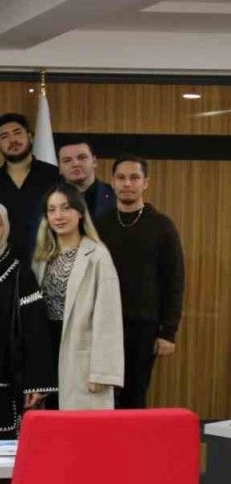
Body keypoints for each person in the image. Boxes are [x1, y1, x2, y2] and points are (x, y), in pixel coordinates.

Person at [94, 156, 185, 409]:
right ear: (112, 182)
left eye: (134, 177)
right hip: (104, 324)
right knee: (103, 394)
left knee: (135, 394)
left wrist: (168, 332)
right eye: (121, 178)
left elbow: (174, 281)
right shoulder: (99, 225)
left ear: (146, 183)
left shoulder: (162, 226)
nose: (127, 183)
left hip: (144, 326)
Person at [0, 201, 55, 438]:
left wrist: (36, 383)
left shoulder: (20, 273)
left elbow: (36, 332)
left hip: (10, 376)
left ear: (6, 228)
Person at [33, 183, 124, 411]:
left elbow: (109, 318)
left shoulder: (97, 255)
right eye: (52, 210)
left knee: (80, 427)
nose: (58, 216)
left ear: (80, 212)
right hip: (48, 352)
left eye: (66, 208)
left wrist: (102, 372)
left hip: (81, 354)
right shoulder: (42, 257)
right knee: (50, 424)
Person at [0, 113, 61, 260]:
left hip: (50, 261)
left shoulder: (55, 177)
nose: (12, 140)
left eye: (17, 133)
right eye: (4, 136)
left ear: (30, 137)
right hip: (3, 265)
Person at [58, 140, 115, 218]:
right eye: (67, 160)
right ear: (59, 168)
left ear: (94, 162)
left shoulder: (115, 195)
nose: (75, 164)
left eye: (82, 158)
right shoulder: (49, 199)